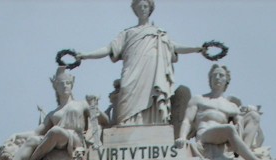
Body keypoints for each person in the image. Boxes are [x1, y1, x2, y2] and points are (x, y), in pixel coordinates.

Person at [74, 0, 203, 125]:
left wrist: (197, 49)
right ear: (135, 10)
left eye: (145, 6)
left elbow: (175, 47)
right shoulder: (127, 33)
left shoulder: (159, 33)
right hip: (132, 72)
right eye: (139, 6)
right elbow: (108, 49)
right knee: (125, 93)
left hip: (152, 72)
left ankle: (152, 125)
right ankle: (127, 124)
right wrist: (85, 55)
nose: (142, 9)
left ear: (150, 9)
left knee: (152, 95)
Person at [0, 68, 100, 160]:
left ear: (72, 85)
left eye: (68, 83)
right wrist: (17, 135)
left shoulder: (81, 104)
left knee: (56, 131)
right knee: (33, 140)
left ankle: (32, 159)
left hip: (74, 139)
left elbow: (104, 120)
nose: (65, 86)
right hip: (57, 139)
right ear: (56, 87)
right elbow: (36, 132)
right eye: (61, 84)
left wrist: (94, 108)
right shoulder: (53, 114)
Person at [175, 64, 276, 160]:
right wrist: (182, 137)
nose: (218, 77)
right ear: (210, 79)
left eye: (221, 75)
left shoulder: (231, 106)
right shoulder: (199, 99)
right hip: (204, 135)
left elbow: (240, 125)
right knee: (229, 129)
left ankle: (243, 156)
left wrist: (249, 111)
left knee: (254, 116)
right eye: (215, 75)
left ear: (226, 81)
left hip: (223, 136)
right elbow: (187, 120)